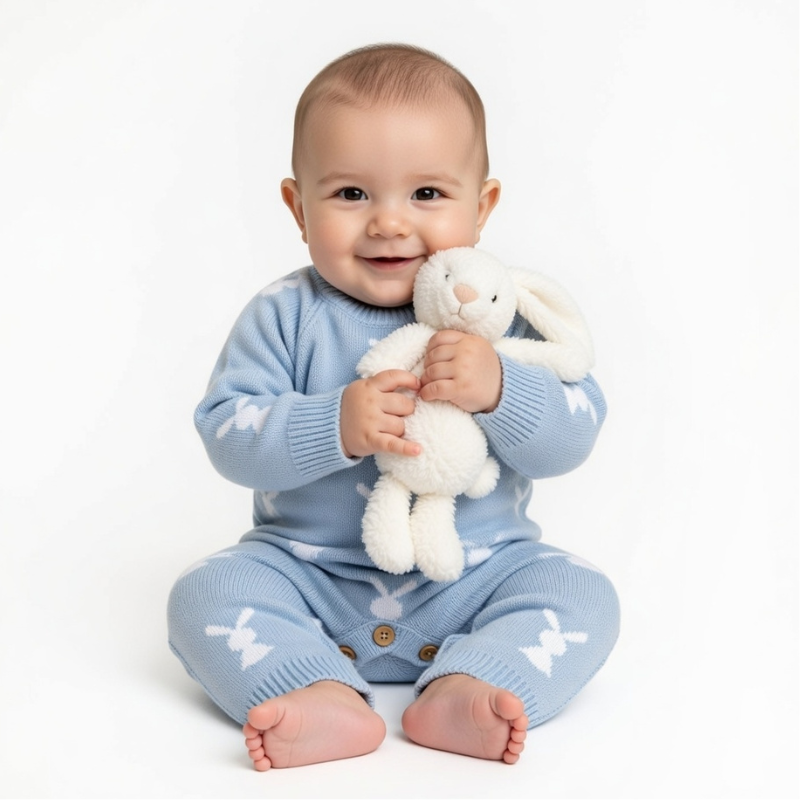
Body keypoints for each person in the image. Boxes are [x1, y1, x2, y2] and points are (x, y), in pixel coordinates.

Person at [167, 42, 619, 771]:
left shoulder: (501, 311)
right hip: (308, 579)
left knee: (581, 593)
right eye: (351, 194)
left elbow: (574, 434)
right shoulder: (285, 313)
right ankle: (317, 690)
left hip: (475, 578)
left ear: (483, 206)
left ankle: (471, 684)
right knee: (204, 593)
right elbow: (226, 430)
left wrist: (504, 389)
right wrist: (332, 423)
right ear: (298, 205)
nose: (388, 223)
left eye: (428, 195)